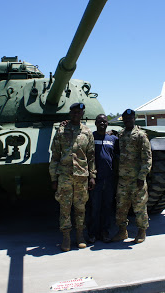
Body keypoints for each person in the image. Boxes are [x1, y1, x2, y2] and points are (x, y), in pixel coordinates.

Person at [49, 103, 96, 252]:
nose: (76, 114)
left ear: (82, 114)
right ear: (70, 114)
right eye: (74, 112)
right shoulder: (61, 130)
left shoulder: (87, 132)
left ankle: (80, 235)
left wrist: (92, 176)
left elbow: (91, 157)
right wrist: (53, 178)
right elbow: (55, 155)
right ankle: (66, 237)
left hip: (81, 176)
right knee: (65, 207)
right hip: (64, 176)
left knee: (80, 207)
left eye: (79, 112)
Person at [111, 108, 152, 244]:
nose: (128, 120)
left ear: (134, 119)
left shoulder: (141, 135)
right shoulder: (121, 134)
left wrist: (142, 176)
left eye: (130, 118)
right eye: (126, 119)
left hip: (136, 179)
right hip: (123, 179)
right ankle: (122, 231)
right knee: (121, 207)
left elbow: (147, 158)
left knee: (139, 207)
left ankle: (142, 231)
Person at [87, 114, 119, 243]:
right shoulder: (91, 137)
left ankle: (105, 231)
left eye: (104, 121)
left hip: (109, 179)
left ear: (107, 123)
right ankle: (92, 233)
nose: (102, 123)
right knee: (94, 208)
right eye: (100, 121)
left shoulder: (113, 138)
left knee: (107, 207)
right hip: (95, 179)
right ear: (95, 123)